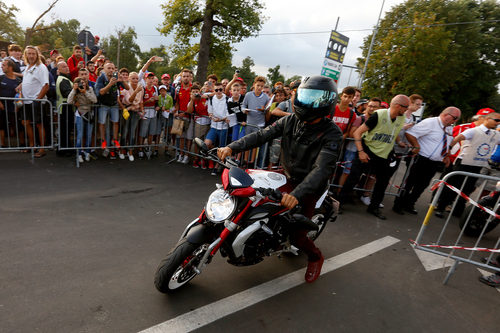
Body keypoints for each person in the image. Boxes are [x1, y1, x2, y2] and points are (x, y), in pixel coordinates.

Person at [218, 75, 342, 283]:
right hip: (286, 175)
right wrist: (232, 147)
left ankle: (315, 257)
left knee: (297, 235)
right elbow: (261, 135)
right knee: (253, 203)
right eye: (305, 96)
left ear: (326, 102)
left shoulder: (332, 134)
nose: (307, 102)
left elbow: (321, 169)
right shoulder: (290, 120)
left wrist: (297, 195)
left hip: (309, 187)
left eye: (314, 98)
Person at [338, 95, 409, 220]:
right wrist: (360, 152)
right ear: (398, 106)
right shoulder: (379, 115)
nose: (407, 110)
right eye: (406, 107)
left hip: (385, 154)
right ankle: (339, 203)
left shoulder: (401, 118)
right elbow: (357, 132)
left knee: (382, 182)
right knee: (353, 177)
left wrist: (399, 142)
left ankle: (374, 207)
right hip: (368, 151)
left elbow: (395, 131)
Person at [392, 107, 461, 215]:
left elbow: (447, 143)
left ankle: (410, 203)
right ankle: (399, 204)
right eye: (455, 118)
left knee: (423, 185)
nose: (455, 121)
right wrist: (416, 146)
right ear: (446, 115)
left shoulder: (448, 128)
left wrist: (447, 156)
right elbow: (410, 133)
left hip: (434, 162)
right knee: (409, 182)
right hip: (421, 158)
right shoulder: (430, 122)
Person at [435, 111, 500, 218]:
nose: (498, 123)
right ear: (487, 119)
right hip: (464, 162)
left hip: (478, 164)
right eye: (496, 120)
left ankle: (457, 210)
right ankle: (441, 207)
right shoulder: (473, 131)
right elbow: (458, 138)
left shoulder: (496, 134)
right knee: (453, 186)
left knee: (468, 188)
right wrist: (448, 151)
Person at [20, 45, 50, 158]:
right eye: (29, 53)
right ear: (26, 55)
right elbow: (27, 82)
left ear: (37, 55)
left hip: (37, 101)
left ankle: (42, 148)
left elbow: (46, 86)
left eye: (33, 53)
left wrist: (37, 100)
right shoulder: (27, 66)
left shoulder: (41, 67)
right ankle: (32, 145)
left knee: (39, 124)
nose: (31, 56)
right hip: (26, 101)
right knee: (25, 122)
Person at [95, 62, 127, 158]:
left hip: (113, 104)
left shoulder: (116, 77)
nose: (111, 70)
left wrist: (122, 80)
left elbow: (127, 87)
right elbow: (100, 92)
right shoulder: (101, 78)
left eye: (113, 68)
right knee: (102, 123)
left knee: (116, 122)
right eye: (109, 68)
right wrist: (110, 84)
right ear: (104, 69)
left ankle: (115, 139)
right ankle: (103, 140)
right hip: (103, 104)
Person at [68, 76, 97, 163]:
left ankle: (87, 152)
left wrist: (85, 92)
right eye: (80, 83)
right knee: (80, 136)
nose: (82, 84)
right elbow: (69, 101)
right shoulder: (75, 91)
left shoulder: (90, 89)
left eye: (83, 82)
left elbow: (95, 100)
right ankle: (79, 154)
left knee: (88, 135)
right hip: (80, 114)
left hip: (89, 114)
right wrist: (74, 90)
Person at [242, 76, 270, 166]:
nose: (259, 88)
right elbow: (243, 106)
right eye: (258, 85)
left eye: (261, 86)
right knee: (247, 142)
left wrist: (264, 110)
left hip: (259, 124)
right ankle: (245, 160)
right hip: (249, 123)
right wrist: (245, 110)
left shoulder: (266, 97)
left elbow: (267, 110)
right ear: (254, 85)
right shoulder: (248, 95)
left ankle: (252, 162)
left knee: (255, 144)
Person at [205, 82, 229, 175]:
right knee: (207, 144)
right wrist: (211, 116)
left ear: (223, 89)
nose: (218, 91)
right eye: (216, 90)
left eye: (220, 90)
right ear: (214, 91)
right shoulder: (211, 99)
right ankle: (216, 153)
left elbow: (228, 114)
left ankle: (217, 166)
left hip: (223, 127)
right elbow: (209, 112)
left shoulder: (227, 99)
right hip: (213, 126)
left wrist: (221, 119)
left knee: (222, 148)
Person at [121, 72, 144, 161]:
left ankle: (130, 151)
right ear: (129, 79)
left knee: (132, 131)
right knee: (125, 130)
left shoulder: (141, 88)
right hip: (127, 110)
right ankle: (122, 151)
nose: (135, 80)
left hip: (135, 111)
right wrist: (136, 91)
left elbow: (141, 101)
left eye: (136, 78)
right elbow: (129, 100)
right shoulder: (126, 87)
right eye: (133, 78)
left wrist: (142, 110)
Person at [0, 59, 22, 147]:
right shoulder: (1, 78)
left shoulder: (18, 80)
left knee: (19, 126)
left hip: (14, 107)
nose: (2, 67)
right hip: (2, 107)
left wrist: (18, 105)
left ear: (10, 67)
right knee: (1, 125)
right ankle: (2, 144)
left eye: (4, 65)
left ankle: (22, 143)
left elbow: (20, 93)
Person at [187, 84, 210, 168]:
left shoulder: (205, 98)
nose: (195, 94)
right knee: (197, 142)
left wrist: (205, 94)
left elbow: (213, 94)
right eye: (193, 92)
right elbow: (189, 111)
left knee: (206, 143)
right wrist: (192, 100)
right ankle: (196, 159)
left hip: (208, 123)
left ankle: (203, 159)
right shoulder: (192, 101)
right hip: (199, 123)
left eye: (197, 92)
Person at [55, 61, 74, 156]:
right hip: (65, 107)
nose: (67, 68)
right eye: (63, 67)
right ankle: (63, 149)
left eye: (67, 66)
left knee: (66, 129)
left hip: (65, 107)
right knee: (65, 129)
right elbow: (68, 93)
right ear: (58, 70)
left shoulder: (65, 78)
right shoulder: (63, 79)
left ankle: (66, 148)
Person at [174, 68, 193, 163]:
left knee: (188, 138)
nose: (185, 78)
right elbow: (177, 102)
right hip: (180, 116)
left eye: (187, 76)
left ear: (190, 77)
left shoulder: (193, 88)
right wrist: (176, 111)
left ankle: (187, 155)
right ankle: (181, 154)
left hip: (190, 116)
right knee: (181, 137)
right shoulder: (178, 88)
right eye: (184, 76)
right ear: (181, 77)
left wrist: (185, 113)